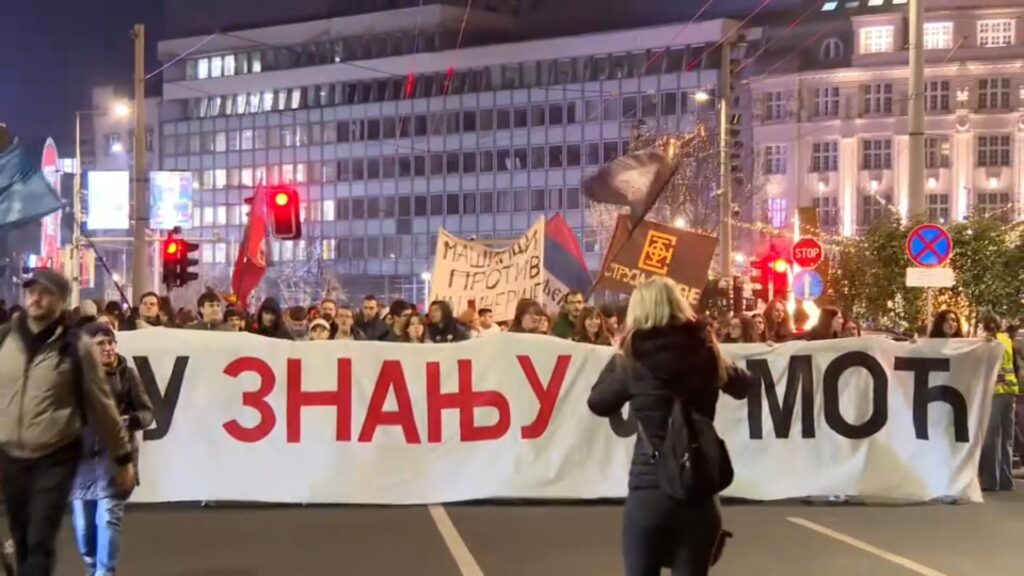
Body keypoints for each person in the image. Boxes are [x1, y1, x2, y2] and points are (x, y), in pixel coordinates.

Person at [588, 277, 753, 576]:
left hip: (649, 487)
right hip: (697, 486)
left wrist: (618, 355)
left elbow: (598, 403)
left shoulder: (632, 359)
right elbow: (744, 387)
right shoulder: (706, 351)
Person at [0, 270, 136, 576]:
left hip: (55, 454)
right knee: (22, 537)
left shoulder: (76, 347)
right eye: (32, 291)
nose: (36, 298)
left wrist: (122, 458)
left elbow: (103, 406)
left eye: (45, 293)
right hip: (10, 456)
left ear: (61, 301)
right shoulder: (5, 338)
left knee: (39, 538)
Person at [71, 322, 154, 576]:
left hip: (116, 460)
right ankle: (92, 566)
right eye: (101, 344)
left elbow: (147, 412)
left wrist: (131, 420)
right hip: (81, 462)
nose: (108, 348)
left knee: (109, 518)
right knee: (84, 529)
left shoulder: (128, 375)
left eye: (111, 342)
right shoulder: (72, 377)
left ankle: (105, 572)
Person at [979, 314, 1018, 492]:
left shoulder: (989, 342)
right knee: (1007, 438)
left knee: (992, 438)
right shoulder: (1007, 340)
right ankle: (1006, 480)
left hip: (996, 392)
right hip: (1010, 391)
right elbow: (1014, 366)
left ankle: (990, 480)